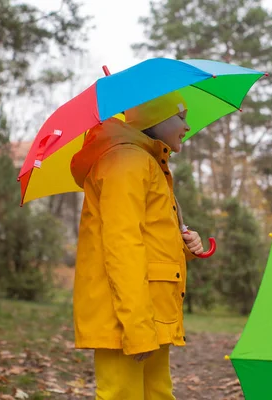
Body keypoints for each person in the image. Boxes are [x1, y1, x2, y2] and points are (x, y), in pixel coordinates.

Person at [70, 90, 205, 400]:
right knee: (122, 395)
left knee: (157, 393)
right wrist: (137, 326)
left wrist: (186, 244)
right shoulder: (125, 161)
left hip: (152, 307)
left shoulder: (146, 162)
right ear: (155, 120)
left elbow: (152, 236)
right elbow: (122, 245)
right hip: (129, 315)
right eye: (181, 118)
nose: (187, 126)